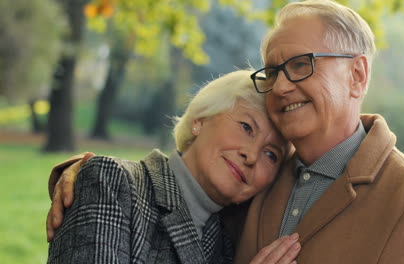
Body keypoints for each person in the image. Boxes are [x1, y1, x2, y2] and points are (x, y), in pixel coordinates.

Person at [47, 1, 404, 263]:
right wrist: (87, 174)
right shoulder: (255, 189)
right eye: (275, 71)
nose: (282, 86)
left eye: (302, 64)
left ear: (357, 75)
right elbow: (179, 192)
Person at [46, 70, 301, 264]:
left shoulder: (229, 241)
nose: (252, 155)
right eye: (246, 127)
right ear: (200, 120)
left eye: (271, 154)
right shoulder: (114, 183)